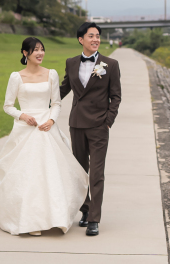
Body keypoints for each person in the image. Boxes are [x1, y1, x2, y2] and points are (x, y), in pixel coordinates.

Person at [0, 37, 89, 236]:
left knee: (50, 173)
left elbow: (56, 103)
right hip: (26, 128)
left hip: (46, 127)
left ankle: (55, 216)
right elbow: (8, 106)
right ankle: (29, 219)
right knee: (27, 175)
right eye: (36, 50)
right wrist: (23, 115)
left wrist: (51, 121)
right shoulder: (16, 77)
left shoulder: (51, 74)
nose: (40, 53)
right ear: (25, 53)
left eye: (42, 49)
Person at [60, 22, 122, 236]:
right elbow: (63, 90)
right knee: (80, 172)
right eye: (91, 36)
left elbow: (116, 96)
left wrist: (108, 120)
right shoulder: (71, 63)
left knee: (96, 173)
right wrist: (41, 101)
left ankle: (95, 218)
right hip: (76, 124)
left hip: (98, 126)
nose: (95, 39)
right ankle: (85, 210)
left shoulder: (110, 64)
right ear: (81, 39)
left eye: (98, 36)